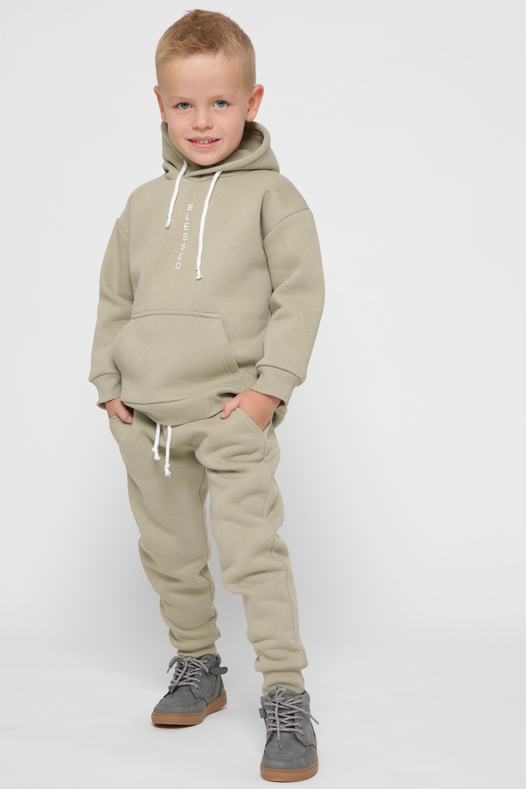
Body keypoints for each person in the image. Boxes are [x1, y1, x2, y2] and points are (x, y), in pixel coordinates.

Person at [88, 9, 324, 783]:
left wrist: (265, 394)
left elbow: (301, 297)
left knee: (253, 552)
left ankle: (285, 691)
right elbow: (115, 298)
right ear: (159, 103)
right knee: (171, 553)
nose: (201, 120)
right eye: (184, 103)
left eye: (220, 102)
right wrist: (109, 386)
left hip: (229, 412)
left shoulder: (274, 198)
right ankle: (199, 665)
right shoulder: (140, 206)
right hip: (147, 420)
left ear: (252, 101)